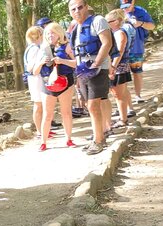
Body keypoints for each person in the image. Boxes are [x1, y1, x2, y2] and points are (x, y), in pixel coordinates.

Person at [68, 0, 113, 156]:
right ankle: (97, 137)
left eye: (80, 7)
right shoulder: (75, 27)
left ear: (86, 7)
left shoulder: (98, 21)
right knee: (89, 106)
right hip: (83, 71)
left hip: (97, 69)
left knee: (94, 104)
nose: (77, 11)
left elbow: (107, 43)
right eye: (73, 9)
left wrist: (96, 63)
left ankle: (99, 140)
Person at [33, 22, 77, 152]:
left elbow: (76, 64)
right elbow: (35, 72)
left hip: (65, 82)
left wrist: (62, 61)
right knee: (47, 114)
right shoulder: (42, 49)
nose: (50, 35)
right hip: (48, 84)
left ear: (59, 33)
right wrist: (41, 62)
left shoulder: (67, 46)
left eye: (53, 32)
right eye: (47, 33)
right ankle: (43, 142)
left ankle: (68, 139)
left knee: (66, 112)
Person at [120, 0, 155, 104]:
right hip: (122, 50)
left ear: (133, 2)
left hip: (136, 48)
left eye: (127, 6)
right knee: (122, 75)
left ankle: (138, 95)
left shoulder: (141, 12)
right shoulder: (119, 13)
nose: (125, 8)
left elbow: (152, 26)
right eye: (123, 6)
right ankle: (123, 101)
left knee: (137, 72)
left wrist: (141, 23)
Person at [106, 9, 134, 128]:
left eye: (109, 22)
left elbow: (120, 52)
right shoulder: (115, 33)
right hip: (118, 66)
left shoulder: (120, 33)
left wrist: (113, 67)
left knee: (118, 94)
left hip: (119, 66)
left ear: (117, 21)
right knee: (119, 93)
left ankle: (123, 119)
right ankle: (123, 116)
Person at [24, 26, 46, 138]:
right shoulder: (34, 49)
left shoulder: (34, 48)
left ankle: (43, 129)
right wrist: (41, 62)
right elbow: (30, 68)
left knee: (41, 104)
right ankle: (39, 131)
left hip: (35, 78)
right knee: (38, 104)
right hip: (35, 79)